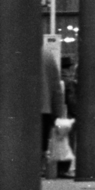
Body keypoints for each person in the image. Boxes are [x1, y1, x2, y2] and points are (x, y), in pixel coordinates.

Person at [40, 39, 64, 178]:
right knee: (41, 143)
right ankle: (39, 167)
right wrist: (58, 111)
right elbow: (56, 87)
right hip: (44, 108)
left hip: (18, 110)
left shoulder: (13, 54)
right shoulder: (48, 55)